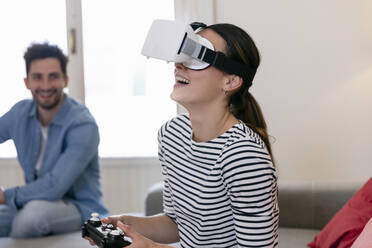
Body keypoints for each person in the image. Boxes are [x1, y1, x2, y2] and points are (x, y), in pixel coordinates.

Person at [86, 22, 278, 248]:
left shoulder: (243, 154)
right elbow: (177, 224)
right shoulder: (171, 134)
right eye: (183, 54)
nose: (179, 65)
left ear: (231, 81)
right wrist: (126, 224)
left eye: (197, 56)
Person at [0, 42, 109, 238]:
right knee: (29, 212)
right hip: (34, 201)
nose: (45, 86)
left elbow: (54, 187)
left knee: (30, 218)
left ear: (65, 80)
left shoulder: (83, 124)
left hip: (79, 208)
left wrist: (5, 196)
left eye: (53, 77)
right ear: (27, 82)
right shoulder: (20, 113)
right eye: (37, 78)